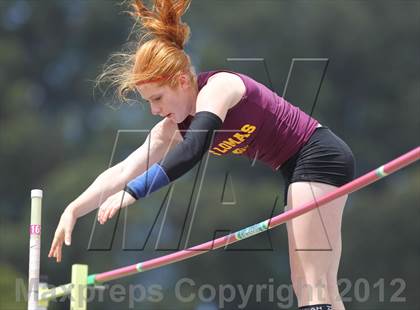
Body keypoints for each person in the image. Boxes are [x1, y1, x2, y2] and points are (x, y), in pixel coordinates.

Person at [48, 1, 355, 309]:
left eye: (158, 97)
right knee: (318, 283)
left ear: (182, 81)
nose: (155, 110)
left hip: (317, 155)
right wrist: (74, 209)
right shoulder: (171, 128)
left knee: (312, 282)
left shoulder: (217, 89)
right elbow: (125, 169)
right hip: (296, 166)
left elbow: (194, 150)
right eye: (148, 103)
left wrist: (135, 192)